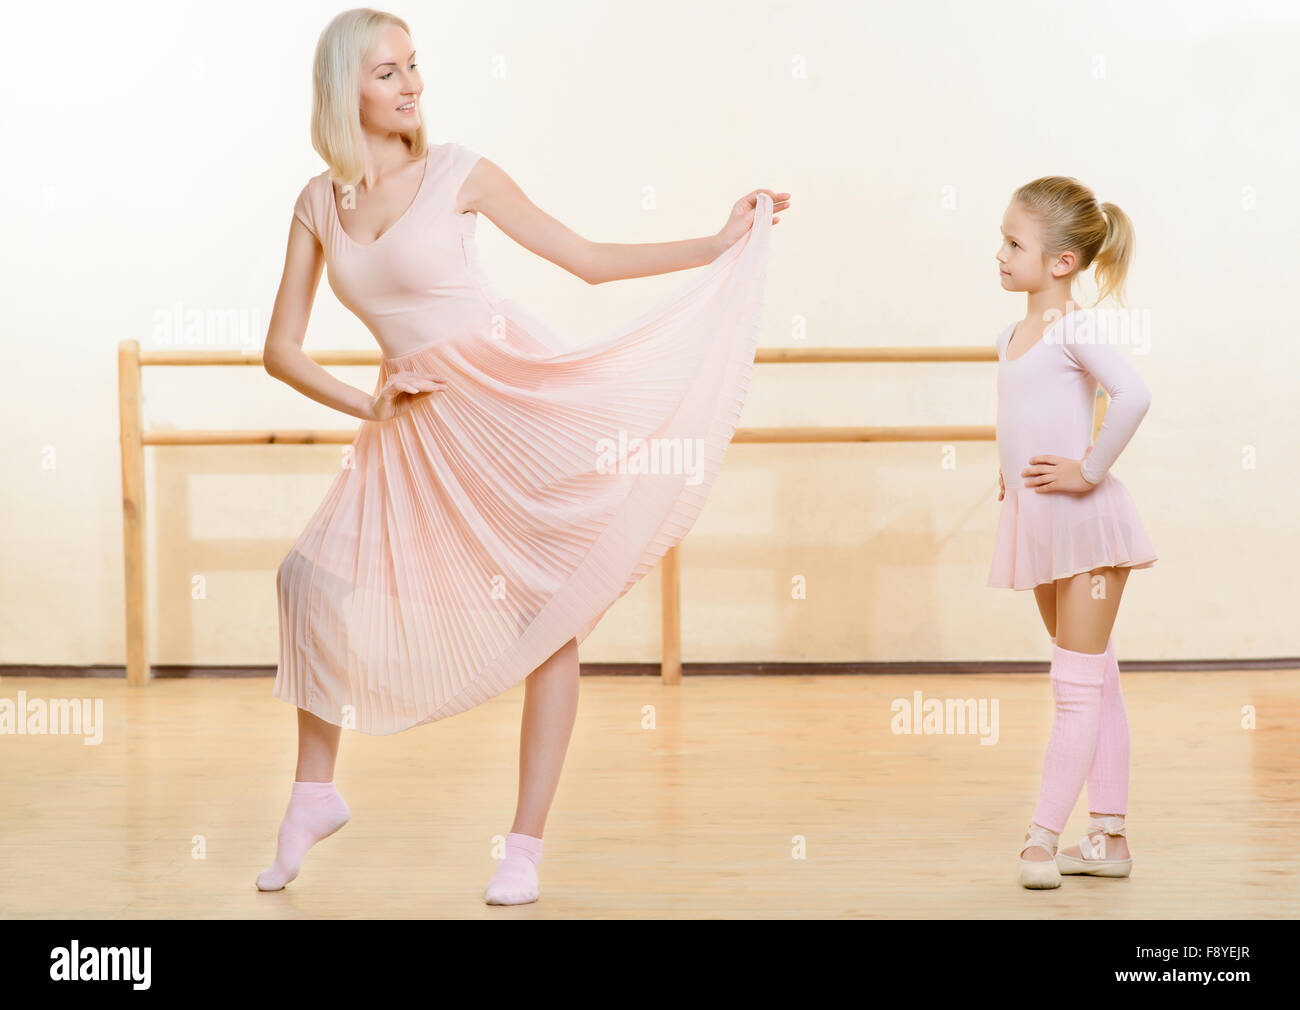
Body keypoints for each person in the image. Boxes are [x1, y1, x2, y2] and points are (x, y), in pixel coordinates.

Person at [255, 8, 789, 905]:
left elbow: (584, 260)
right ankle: (314, 792)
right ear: (342, 88)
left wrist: (717, 241)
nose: (412, 82)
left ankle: (524, 848)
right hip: (414, 431)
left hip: (511, 405)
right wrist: (369, 402)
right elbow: (281, 348)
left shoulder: (459, 172)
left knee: (545, 619)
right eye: (387, 71)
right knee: (307, 578)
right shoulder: (319, 201)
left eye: (414, 65)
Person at [988, 176, 1155, 889]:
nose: (999, 253)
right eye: (1002, 238)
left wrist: (1088, 469)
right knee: (1095, 675)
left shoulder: (1073, 327)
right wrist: (1007, 476)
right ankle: (1109, 838)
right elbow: (1025, 418)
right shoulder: (1011, 334)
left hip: (1086, 526)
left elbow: (1135, 394)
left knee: (1074, 687)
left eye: (1014, 243)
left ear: (1061, 262)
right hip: (1042, 524)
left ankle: (1041, 839)